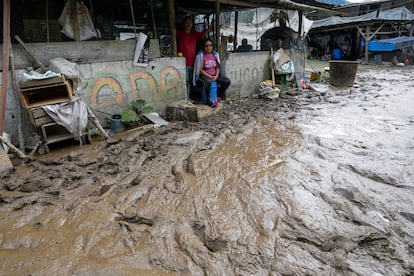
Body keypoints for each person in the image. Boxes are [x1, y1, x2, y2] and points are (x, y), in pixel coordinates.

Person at [176, 16, 213, 86]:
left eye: (190, 22)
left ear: (192, 24)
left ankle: (189, 96)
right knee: (184, 82)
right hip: (183, 63)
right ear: (184, 24)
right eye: (186, 22)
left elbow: (204, 33)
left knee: (191, 81)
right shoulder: (179, 33)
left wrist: (210, 27)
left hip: (193, 63)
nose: (188, 24)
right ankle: (186, 96)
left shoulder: (194, 34)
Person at [193, 38, 231, 107]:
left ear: (212, 46)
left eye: (210, 45)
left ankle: (218, 95)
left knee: (226, 81)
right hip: (204, 76)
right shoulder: (201, 56)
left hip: (214, 75)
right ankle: (208, 100)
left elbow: (217, 67)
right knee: (207, 82)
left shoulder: (215, 55)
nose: (208, 47)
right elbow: (200, 70)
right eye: (206, 46)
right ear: (203, 47)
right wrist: (209, 76)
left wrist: (216, 76)